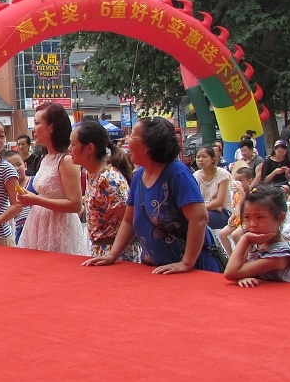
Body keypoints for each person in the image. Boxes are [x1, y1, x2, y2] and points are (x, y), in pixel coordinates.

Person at [84, 116, 224, 273]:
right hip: (156, 270)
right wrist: (112, 255)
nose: (128, 140)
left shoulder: (177, 173)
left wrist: (186, 263)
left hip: (193, 270)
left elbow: (199, 218)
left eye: (133, 135)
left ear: (148, 145)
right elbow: (128, 221)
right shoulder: (139, 176)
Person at [17, 104, 89, 255]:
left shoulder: (66, 160)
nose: (33, 129)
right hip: (38, 224)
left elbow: (75, 204)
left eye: (37, 123)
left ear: (51, 127)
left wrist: (35, 200)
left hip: (59, 227)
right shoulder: (45, 157)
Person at [70, 119, 132, 259]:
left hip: (118, 255)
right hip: (101, 251)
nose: (69, 149)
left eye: (73, 144)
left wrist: (113, 254)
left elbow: (129, 221)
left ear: (89, 148)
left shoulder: (109, 179)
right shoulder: (91, 174)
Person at [223, 186, 290, 287]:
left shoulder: (280, 255)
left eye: (260, 217)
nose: (252, 224)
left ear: (280, 218)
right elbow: (237, 268)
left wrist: (245, 239)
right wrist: (242, 276)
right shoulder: (255, 241)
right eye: (247, 217)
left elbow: (230, 273)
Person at [193, 146, 233, 231]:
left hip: (224, 212)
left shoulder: (222, 174)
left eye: (204, 156)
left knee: (198, 217)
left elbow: (219, 202)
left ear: (213, 159)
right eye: (198, 157)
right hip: (204, 209)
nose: (200, 159)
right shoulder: (196, 175)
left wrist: (201, 208)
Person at [3, 150, 31, 244]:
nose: (16, 168)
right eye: (11, 166)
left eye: (19, 164)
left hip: (35, 228)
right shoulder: (5, 190)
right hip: (18, 230)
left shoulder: (35, 183)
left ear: (25, 166)